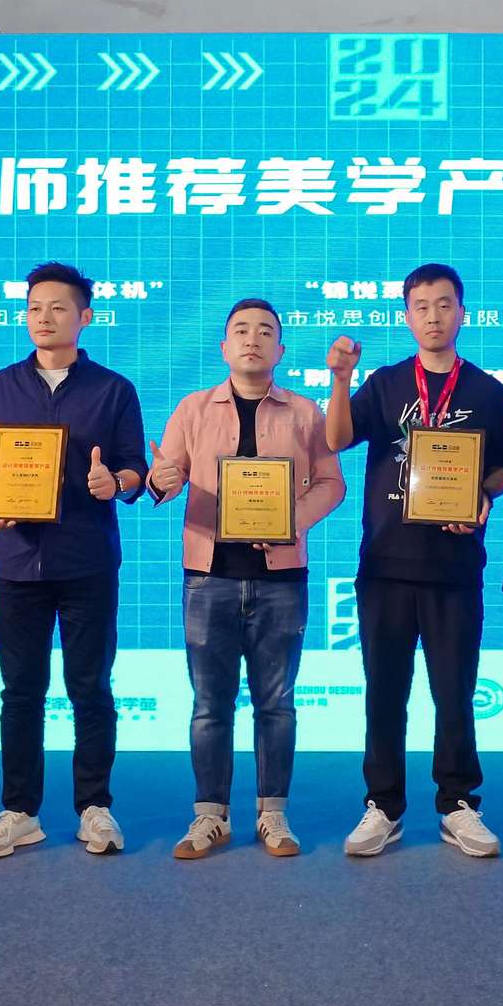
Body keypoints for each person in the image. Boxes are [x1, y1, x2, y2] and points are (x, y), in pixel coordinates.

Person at [0, 262, 148, 859]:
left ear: (84, 317)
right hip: (15, 562)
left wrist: (113, 483)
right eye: (35, 307)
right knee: (21, 690)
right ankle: (19, 810)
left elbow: (135, 469)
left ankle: (95, 807)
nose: (45, 317)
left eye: (59, 307)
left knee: (90, 687)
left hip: (87, 559)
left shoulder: (113, 389)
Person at [325, 262, 503, 858]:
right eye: (422, 307)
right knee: (385, 692)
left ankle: (458, 803)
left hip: (454, 567)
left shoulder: (490, 392)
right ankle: (383, 805)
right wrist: (340, 379)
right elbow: (336, 438)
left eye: (444, 304)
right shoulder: (383, 383)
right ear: (407, 317)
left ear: (463, 313)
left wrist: (484, 495)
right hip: (385, 563)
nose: (433, 316)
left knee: (455, 692)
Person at [149, 299, 346, 859]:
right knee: (209, 706)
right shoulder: (193, 408)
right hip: (208, 577)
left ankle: (273, 814)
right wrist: (163, 478)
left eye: (264, 332)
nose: (252, 339)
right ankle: (209, 816)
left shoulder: (304, 412)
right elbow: (165, 479)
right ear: (224, 347)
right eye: (240, 331)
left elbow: (332, 483)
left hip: (281, 581)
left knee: (276, 704)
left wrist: (292, 522)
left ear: (280, 350)